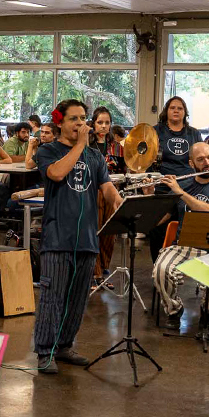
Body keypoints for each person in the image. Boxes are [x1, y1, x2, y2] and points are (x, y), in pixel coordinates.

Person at [30, 100, 122, 374]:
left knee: (78, 297)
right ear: (59, 122)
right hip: (58, 237)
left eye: (84, 118)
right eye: (74, 119)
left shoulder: (94, 156)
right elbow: (57, 174)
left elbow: (107, 188)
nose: (81, 124)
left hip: (86, 239)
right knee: (52, 297)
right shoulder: (47, 151)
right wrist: (80, 146)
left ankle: (65, 345)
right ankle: (45, 352)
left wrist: (120, 203)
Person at [151, 142, 209, 330]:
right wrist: (149, 194)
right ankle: (174, 310)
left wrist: (180, 193)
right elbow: (158, 219)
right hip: (182, 245)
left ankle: (207, 312)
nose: (207, 162)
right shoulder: (182, 185)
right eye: (201, 160)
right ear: (192, 164)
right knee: (161, 269)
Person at [149, 97, 201, 261]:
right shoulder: (155, 131)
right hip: (162, 185)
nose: (176, 111)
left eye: (180, 108)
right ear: (167, 111)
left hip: (187, 187)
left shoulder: (193, 133)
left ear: (185, 112)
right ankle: (158, 266)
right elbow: (146, 157)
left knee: (183, 228)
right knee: (158, 228)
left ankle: (180, 266)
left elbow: (200, 157)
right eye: (172, 108)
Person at [89, 107, 125, 285]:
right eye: (100, 122)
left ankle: (104, 269)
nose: (103, 126)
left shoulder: (117, 147)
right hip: (92, 192)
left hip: (112, 192)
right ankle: (94, 272)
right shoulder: (86, 145)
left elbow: (126, 169)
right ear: (93, 123)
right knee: (94, 230)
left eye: (107, 123)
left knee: (109, 232)